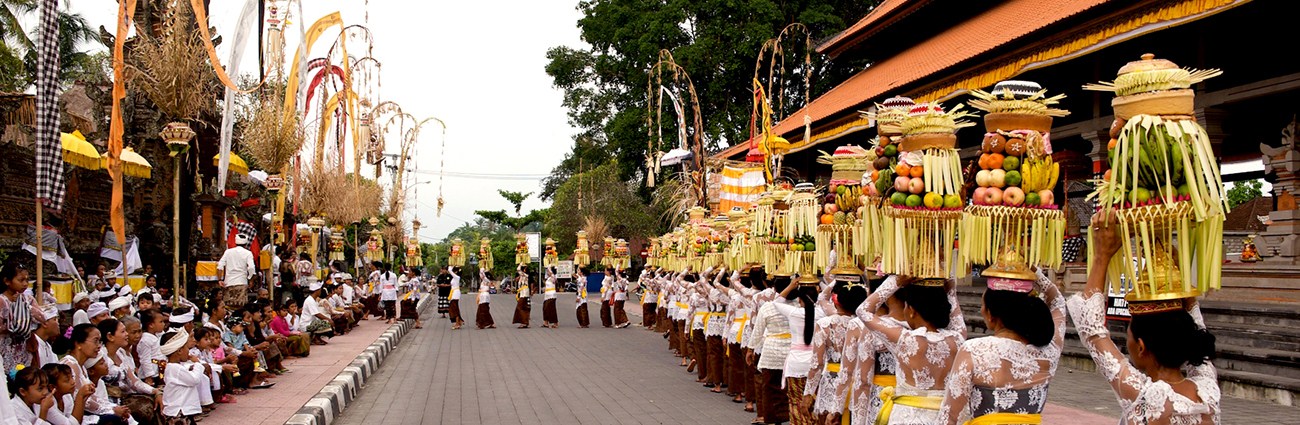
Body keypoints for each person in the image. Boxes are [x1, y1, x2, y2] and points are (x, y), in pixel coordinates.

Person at [1067, 209, 1220, 424]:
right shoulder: (1207, 392)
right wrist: (1176, 280)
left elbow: (1092, 331)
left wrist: (1102, 256)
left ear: (1141, 346)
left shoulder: (1147, 396)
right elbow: (1196, 326)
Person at [854, 275, 965, 425]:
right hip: (944, 418)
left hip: (906, 418)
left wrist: (895, 282)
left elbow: (863, 311)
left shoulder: (906, 340)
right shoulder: (958, 338)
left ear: (911, 310)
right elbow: (955, 312)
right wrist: (950, 287)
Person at [803, 279, 868, 424]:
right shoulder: (868, 325)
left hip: (833, 382)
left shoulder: (825, 324)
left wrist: (808, 393)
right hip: (861, 384)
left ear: (836, 300)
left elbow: (817, 364)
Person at [750, 272, 792, 425]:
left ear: (774, 289)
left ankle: (772, 419)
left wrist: (750, 349)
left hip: (771, 351)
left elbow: (757, 330)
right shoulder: (798, 305)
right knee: (786, 388)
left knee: (769, 388)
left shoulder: (768, 307)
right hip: (791, 352)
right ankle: (786, 416)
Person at [160, 328, 204, 425]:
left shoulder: (174, 367)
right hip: (180, 411)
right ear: (179, 351)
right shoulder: (176, 368)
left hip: (180, 410)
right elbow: (194, 379)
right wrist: (197, 364)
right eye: (186, 348)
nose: (188, 351)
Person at [1, 262, 38, 373]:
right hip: (5, 347)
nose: (25, 284)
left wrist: (26, 307)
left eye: (27, 280)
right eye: (21, 280)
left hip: (23, 348)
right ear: (7, 281)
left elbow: (41, 317)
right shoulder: (2, 300)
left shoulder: (28, 299)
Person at [217, 234, 256, 309]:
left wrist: (219, 279)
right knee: (241, 306)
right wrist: (250, 278)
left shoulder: (228, 252)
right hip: (242, 282)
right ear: (246, 243)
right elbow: (251, 268)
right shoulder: (248, 253)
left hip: (229, 283)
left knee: (228, 306)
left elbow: (220, 266)